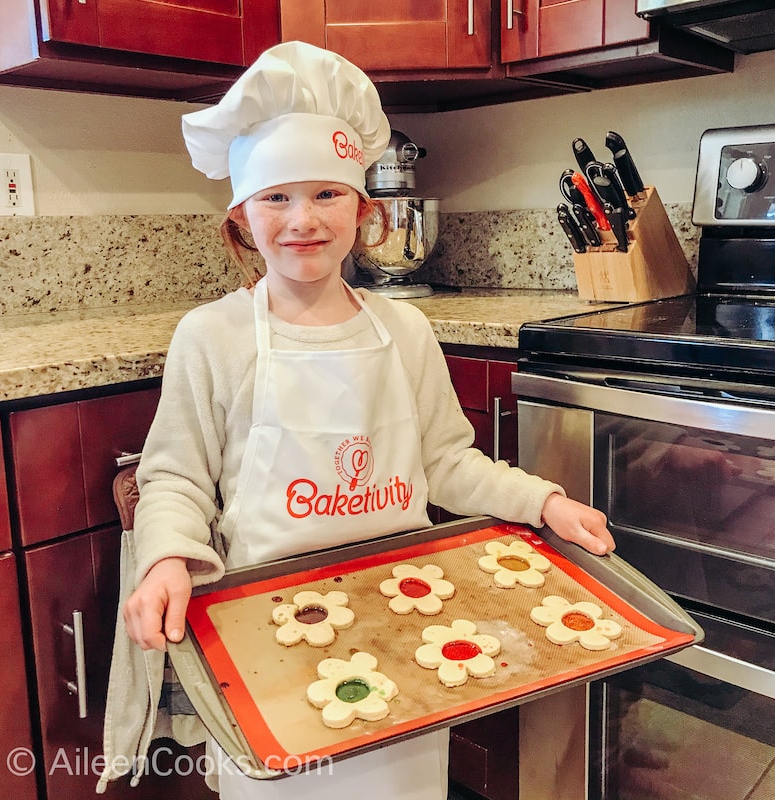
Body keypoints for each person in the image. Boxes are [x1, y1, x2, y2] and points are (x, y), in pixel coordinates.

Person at [115, 40, 615, 800]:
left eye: (327, 194)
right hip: (266, 634)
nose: (302, 220)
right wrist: (163, 560)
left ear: (364, 209)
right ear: (242, 216)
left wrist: (544, 502)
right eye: (276, 197)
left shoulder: (405, 333)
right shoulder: (210, 337)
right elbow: (176, 477)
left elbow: (448, 462)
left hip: (403, 623)